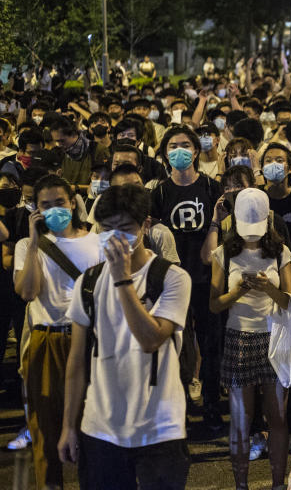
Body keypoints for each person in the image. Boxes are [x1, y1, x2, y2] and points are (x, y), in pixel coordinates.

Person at [58, 184, 192, 489]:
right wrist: (69, 426)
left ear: (145, 224)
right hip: (101, 427)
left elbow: (151, 339)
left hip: (159, 429)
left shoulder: (172, 278)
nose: (116, 237)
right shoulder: (88, 283)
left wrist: (122, 280)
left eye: (125, 227)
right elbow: (76, 362)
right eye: (108, 228)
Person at [210, 188, 291, 490]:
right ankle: (241, 485)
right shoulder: (223, 252)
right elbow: (214, 304)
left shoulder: (280, 251)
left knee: (277, 418)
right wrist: (238, 292)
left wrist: (268, 290)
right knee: (240, 420)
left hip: (274, 337)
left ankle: (278, 484)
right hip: (239, 338)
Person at [14, 175, 101, 490]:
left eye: (59, 203)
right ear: (35, 210)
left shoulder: (96, 240)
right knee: (46, 427)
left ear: (73, 203)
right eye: (44, 205)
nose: (54, 210)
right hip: (47, 340)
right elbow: (27, 291)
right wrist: (35, 240)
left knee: (92, 423)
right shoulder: (28, 245)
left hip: (90, 340)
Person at [150, 125, 224, 429]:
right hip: (172, 279)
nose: (178, 151)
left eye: (184, 145)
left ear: (195, 151)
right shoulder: (161, 191)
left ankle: (210, 403)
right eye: (172, 146)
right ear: (165, 154)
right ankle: (177, 404)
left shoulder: (210, 187)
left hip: (206, 275)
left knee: (210, 342)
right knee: (175, 344)